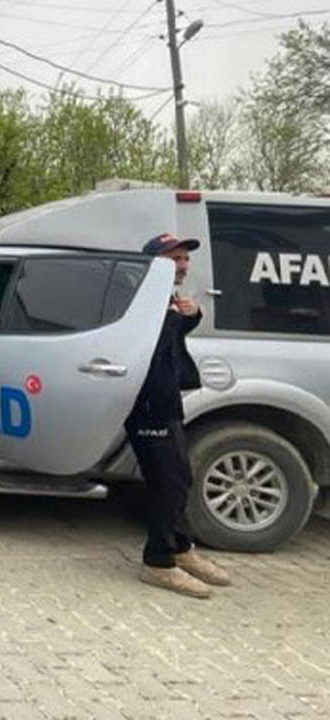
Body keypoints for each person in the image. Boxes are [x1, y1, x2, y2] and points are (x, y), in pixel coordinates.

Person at [128, 233, 231, 598]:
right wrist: (173, 319)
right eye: (175, 258)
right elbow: (142, 347)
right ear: (155, 261)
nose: (183, 265)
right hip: (148, 404)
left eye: (185, 259)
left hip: (168, 400)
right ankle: (158, 562)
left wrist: (191, 316)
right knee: (166, 484)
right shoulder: (143, 298)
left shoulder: (167, 298)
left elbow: (171, 341)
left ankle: (180, 548)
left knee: (180, 478)